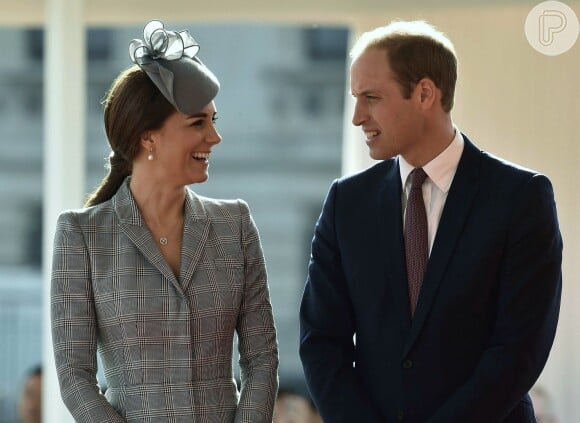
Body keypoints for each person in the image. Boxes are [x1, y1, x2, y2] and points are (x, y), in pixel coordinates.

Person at [299, 20, 562, 423]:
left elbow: (519, 347)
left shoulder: (521, 197)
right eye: (356, 98)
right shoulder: (346, 204)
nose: (357, 117)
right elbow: (321, 341)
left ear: (424, 93)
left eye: (371, 97)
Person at [51, 20, 278, 422]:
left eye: (214, 120)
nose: (214, 137)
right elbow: (75, 377)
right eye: (197, 123)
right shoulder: (81, 235)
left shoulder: (236, 225)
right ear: (148, 138)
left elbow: (261, 360)